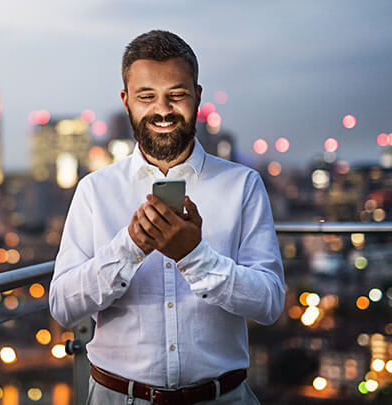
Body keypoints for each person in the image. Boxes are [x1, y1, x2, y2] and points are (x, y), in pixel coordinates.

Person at [49, 30, 285, 404]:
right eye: (147, 97)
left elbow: (270, 303)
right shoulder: (95, 190)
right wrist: (129, 248)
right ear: (126, 101)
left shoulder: (243, 184)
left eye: (176, 95)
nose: (162, 109)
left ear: (197, 97)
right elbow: (62, 306)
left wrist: (195, 257)